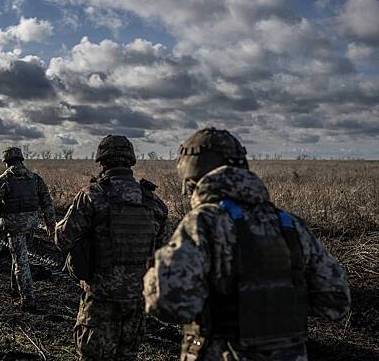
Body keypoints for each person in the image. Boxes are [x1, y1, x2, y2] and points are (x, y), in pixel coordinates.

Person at [143, 127, 351, 361]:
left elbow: (167, 300)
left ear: (192, 175)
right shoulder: (289, 224)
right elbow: (335, 301)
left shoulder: (204, 222)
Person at [55, 135, 171, 360]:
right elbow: (164, 254)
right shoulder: (153, 203)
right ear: (130, 161)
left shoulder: (92, 196)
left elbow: (63, 240)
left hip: (100, 301)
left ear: (102, 161)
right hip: (136, 301)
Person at [0, 147, 56, 311]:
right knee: (19, 255)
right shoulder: (35, 178)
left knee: (21, 262)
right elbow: (47, 201)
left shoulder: (4, 179)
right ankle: (14, 289)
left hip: (14, 226)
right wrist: (50, 223)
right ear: (21, 160)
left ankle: (28, 300)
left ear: (6, 162)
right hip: (31, 224)